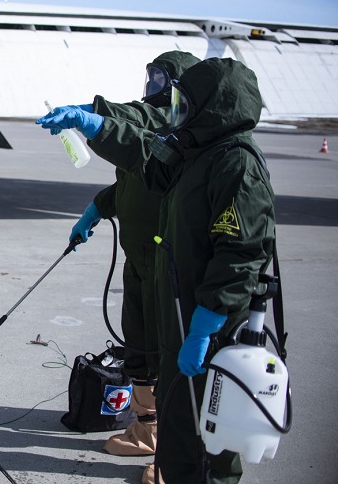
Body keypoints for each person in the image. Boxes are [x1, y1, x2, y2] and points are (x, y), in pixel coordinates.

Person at [38, 58, 275, 484]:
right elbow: (146, 157)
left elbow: (240, 256)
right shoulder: (198, 154)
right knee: (179, 418)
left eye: (188, 102)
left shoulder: (236, 165)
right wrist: (95, 127)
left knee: (210, 427)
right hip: (183, 312)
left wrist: (206, 325)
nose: (178, 111)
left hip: (212, 325)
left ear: (214, 106)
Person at [69, 51, 200, 458]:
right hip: (137, 257)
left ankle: (171, 446)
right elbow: (129, 180)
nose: (152, 86)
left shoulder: (176, 127)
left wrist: (95, 114)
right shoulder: (147, 118)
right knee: (139, 343)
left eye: (162, 79)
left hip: (167, 261)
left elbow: (137, 124)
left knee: (167, 347)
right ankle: (146, 430)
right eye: (151, 76)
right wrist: (97, 208)